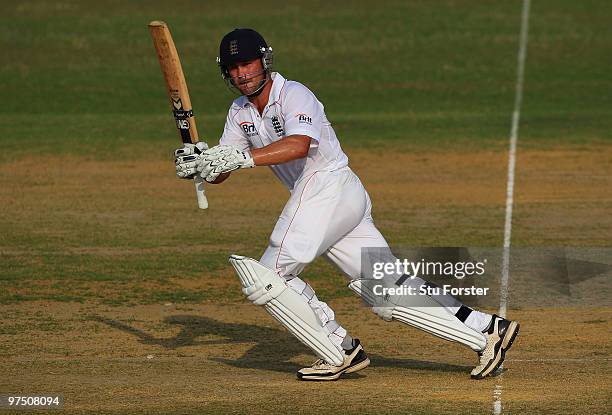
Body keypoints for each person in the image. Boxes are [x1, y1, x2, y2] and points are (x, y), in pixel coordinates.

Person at [174, 28, 519, 381]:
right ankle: (487, 328)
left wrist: (239, 158)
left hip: (329, 185)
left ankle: (338, 349)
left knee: (267, 276)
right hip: (329, 199)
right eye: (232, 68)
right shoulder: (240, 112)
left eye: (246, 63)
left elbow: (298, 144)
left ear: (264, 60)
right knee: (386, 287)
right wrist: (201, 162)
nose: (241, 74)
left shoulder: (294, 94)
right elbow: (224, 167)